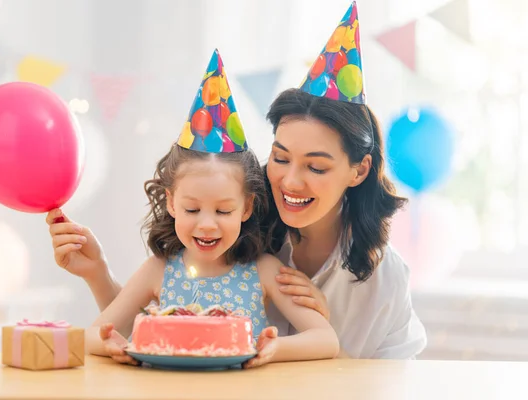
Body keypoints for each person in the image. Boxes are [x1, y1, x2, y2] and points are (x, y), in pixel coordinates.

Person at [47, 2, 426, 359]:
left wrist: (319, 332)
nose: (290, 181)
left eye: (316, 167)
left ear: (359, 170)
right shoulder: (241, 235)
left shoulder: (381, 280)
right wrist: (98, 274)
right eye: (280, 158)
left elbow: (380, 381)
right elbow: (147, 324)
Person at [73, 49, 340, 368]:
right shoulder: (159, 270)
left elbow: (326, 339)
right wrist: (116, 344)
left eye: (223, 211)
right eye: (192, 210)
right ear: (171, 202)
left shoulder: (263, 270)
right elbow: (92, 335)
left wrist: (272, 349)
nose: (207, 225)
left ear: (246, 207)